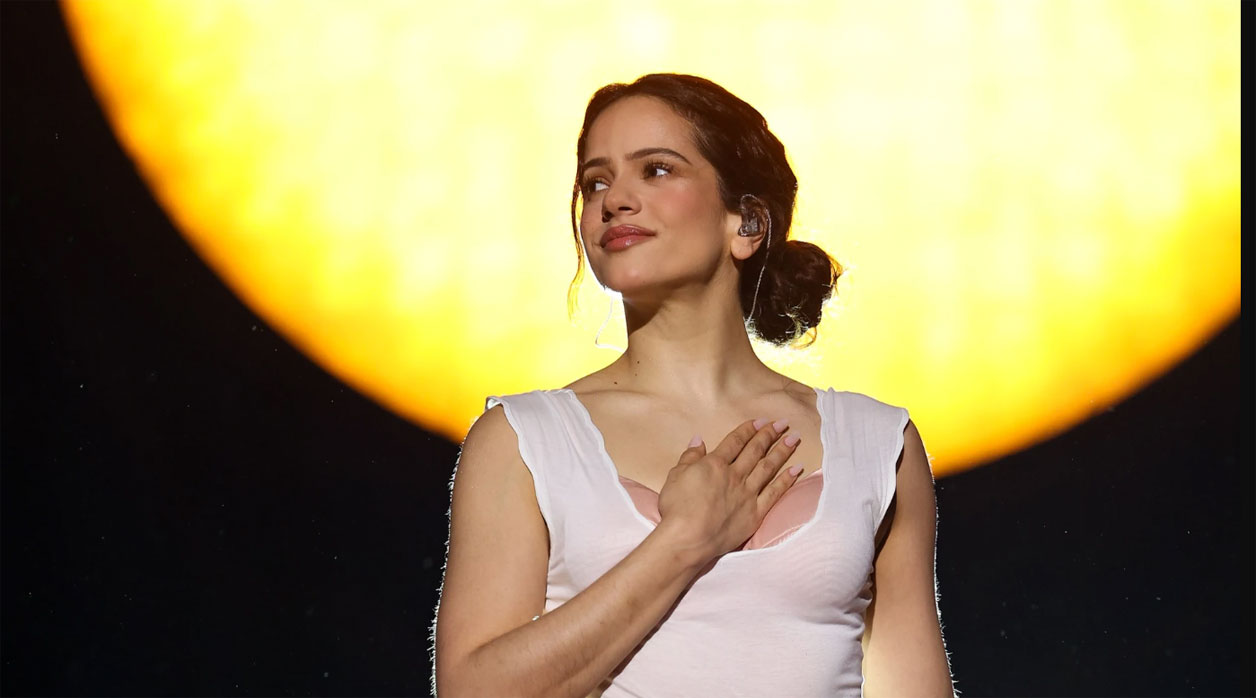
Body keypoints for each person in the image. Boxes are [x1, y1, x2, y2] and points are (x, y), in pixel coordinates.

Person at [431, 73, 955, 697]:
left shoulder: (877, 443)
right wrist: (683, 540)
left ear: (747, 223)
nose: (614, 200)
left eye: (656, 170)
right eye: (596, 182)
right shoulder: (523, 441)